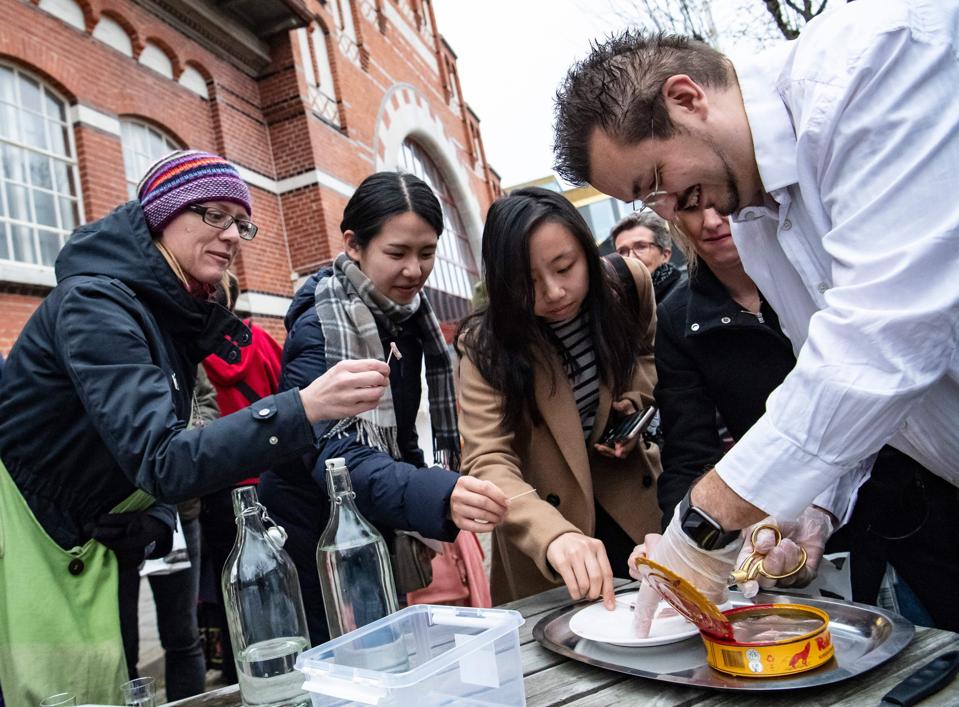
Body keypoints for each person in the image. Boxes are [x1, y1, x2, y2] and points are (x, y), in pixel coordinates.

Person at [552, 1, 959, 622]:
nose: (667, 210)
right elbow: (843, 385)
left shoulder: (873, 63)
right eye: (648, 200)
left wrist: (705, 522)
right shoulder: (757, 219)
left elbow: (881, 344)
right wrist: (811, 505)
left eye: (656, 181)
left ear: (686, 98)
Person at [0, 150, 389, 705]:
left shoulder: (166, 310)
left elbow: (136, 440)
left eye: (241, 223)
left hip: (85, 538)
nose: (232, 235)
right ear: (162, 215)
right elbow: (162, 456)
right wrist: (302, 407)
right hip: (32, 539)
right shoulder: (98, 304)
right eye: (213, 215)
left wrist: (153, 520)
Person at [654, 207, 959, 629]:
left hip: (912, 502)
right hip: (787, 524)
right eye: (687, 204)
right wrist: (688, 536)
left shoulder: (824, 267)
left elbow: (860, 386)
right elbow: (688, 448)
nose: (710, 220)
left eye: (719, 201)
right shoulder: (678, 316)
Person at [257, 172, 509, 646]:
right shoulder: (320, 330)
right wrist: (433, 493)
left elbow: (401, 439)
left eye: (427, 252)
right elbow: (334, 456)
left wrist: (426, 487)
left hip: (367, 525)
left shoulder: (407, 323)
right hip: (313, 537)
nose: (415, 270)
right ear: (354, 245)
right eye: (397, 253)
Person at [456, 187, 662, 608]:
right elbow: (487, 459)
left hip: (638, 512)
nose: (554, 293)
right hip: (550, 536)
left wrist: (635, 403)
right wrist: (553, 534)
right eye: (527, 282)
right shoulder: (486, 346)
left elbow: (647, 355)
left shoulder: (627, 283)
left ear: (587, 250)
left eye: (565, 267)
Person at [199, 271, 283, 683]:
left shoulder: (191, 353)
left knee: (229, 581)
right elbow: (286, 397)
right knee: (277, 577)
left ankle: (240, 673)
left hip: (219, 484)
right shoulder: (260, 341)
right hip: (267, 479)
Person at [610, 211, 684, 302]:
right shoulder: (617, 305)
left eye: (641, 247)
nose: (631, 257)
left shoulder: (686, 298)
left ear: (665, 255)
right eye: (622, 251)